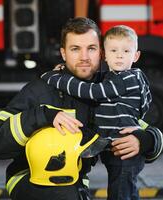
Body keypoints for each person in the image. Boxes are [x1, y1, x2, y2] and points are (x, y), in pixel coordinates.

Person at [0, 18, 163, 200]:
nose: (84, 57)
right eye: (75, 49)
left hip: (74, 182)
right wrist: (44, 115)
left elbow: (132, 122)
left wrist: (146, 140)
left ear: (101, 53)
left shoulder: (105, 90)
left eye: (91, 49)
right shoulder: (43, 87)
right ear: (63, 53)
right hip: (30, 178)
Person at [41, 25, 155, 199]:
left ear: (136, 56)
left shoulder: (127, 78)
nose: (119, 55)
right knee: (125, 192)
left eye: (126, 51)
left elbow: (90, 91)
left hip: (124, 150)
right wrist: (65, 69)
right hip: (113, 147)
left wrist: (54, 78)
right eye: (114, 50)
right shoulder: (112, 77)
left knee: (120, 194)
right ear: (105, 55)